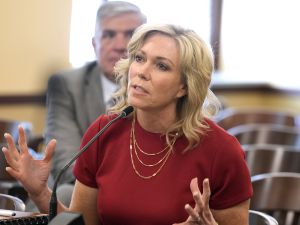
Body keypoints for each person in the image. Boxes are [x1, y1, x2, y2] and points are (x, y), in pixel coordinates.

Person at [2, 23, 253, 225]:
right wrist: (40, 192)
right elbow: (81, 223)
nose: (142, 72)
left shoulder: (222, 151)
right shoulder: (105, 131)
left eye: (161, 66)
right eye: (140, 58)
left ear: (185, 86)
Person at [45, 1, 146, 186]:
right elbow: (67, 165)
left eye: (131, 35)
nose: (120, 45)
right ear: (94, 43)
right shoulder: (66, 85)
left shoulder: (162, 89)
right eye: (109, 35)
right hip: (75, 189)